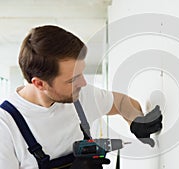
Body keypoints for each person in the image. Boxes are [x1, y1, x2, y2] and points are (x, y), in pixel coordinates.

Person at [0, 25, 162, 169]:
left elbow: (121, 103)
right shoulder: (6, 126)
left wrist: (135, 120)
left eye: (80, 73)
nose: (83, 83)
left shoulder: (79, 97)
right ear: (40, 84)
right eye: (72, 79)